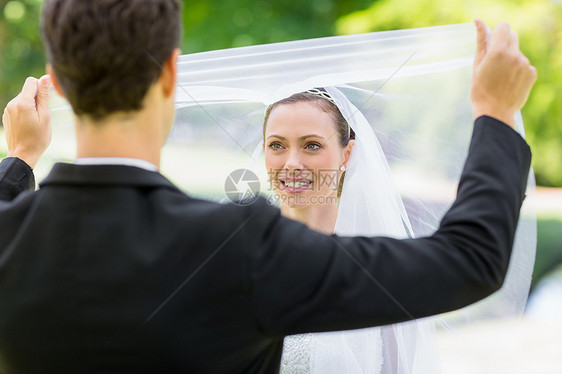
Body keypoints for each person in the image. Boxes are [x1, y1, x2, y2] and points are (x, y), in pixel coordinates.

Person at [0, 0, 536, 371]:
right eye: (277, 144)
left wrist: (20, 160)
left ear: (57, 76)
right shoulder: (238, 247)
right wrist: (494, 113)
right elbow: (469, 261)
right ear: (169, 73)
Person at [264, 87, 440, 373]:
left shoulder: (381, 267)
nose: (292, 163)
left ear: (347, 154)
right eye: (277, 145)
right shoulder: (238, 252)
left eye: (311, 145)